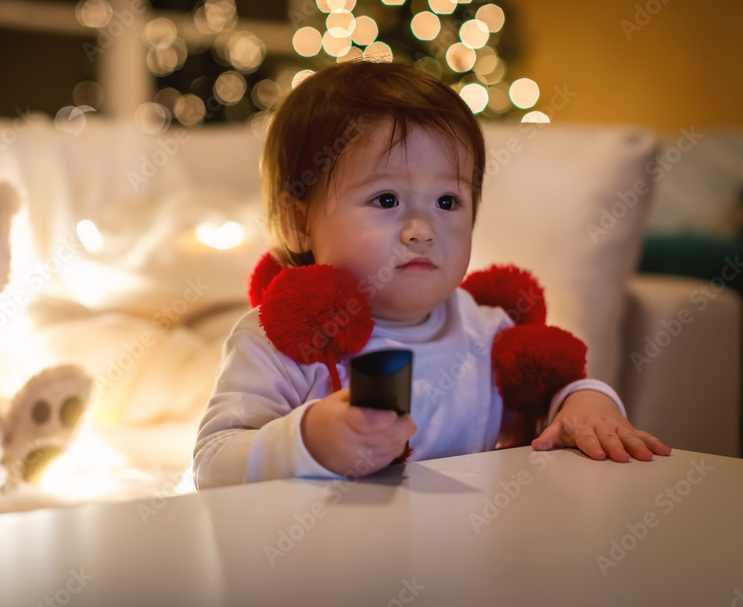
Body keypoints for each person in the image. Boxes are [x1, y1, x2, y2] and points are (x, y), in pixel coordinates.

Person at [193, 60, 670, 490]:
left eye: (448, 202)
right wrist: (306, 441)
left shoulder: (487, 333)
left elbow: (554, 400)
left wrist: (585, 401)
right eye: (386, 200)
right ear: (300, 223)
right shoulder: (277, 342)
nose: (421, 230)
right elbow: (213, 464)